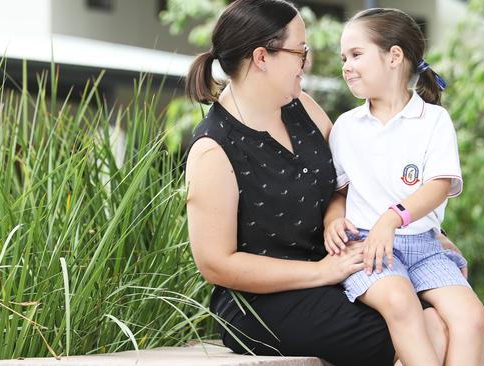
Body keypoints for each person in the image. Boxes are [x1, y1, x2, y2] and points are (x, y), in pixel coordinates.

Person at [183, 1, 466, 365]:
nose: (308, 62)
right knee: (423, 327)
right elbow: (215, 264)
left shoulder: (303, 107)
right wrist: (319, 271)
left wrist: (417, 229)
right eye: (300, 51)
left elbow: (353, 181)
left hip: (341, 270)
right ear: (261, 57)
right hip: (263, 302)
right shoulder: (213, 147)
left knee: (445, 308)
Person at [324, 8, 484, 366]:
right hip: (368, 248)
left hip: (424, 247)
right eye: (344, 58)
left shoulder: (433, 120)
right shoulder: (346, 127)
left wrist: (392, 219)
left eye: (356, 55)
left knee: (471, 317)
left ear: (394, 56)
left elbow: (439, 185)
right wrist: (332, 221)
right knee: (400, 303)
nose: (346, 66)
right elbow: (339, 192)